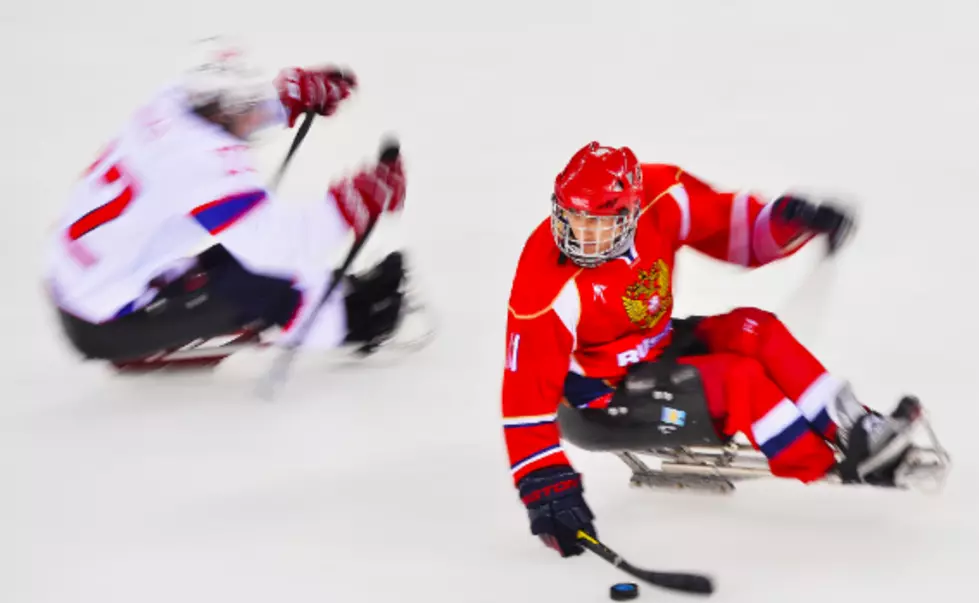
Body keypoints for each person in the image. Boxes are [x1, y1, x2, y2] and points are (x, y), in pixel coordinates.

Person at [501, 140, 924, 558]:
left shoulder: (662, 194)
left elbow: (729, 227)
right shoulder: (543, 280)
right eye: (573, 218)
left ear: (631, 210)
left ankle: (856, 429)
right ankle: (820, 460)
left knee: (755, 329)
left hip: (655, 348)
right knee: (737, 380)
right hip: (599, 399)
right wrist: (547, 488)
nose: (582, 235)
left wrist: (789, 221)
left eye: (599, 222)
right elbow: (525, 396)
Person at [44, 37, 410, 369]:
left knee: (233, 256)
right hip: (102, 319)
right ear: (220, 112)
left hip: (81, 278)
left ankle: (329, 297)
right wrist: (352, 204)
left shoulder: (173, 102)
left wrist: (286, 99)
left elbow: (229, 110)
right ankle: (361, 320)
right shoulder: (202, 162)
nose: (256, 112)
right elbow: (277, 248)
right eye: (248, 105)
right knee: (264, 284)